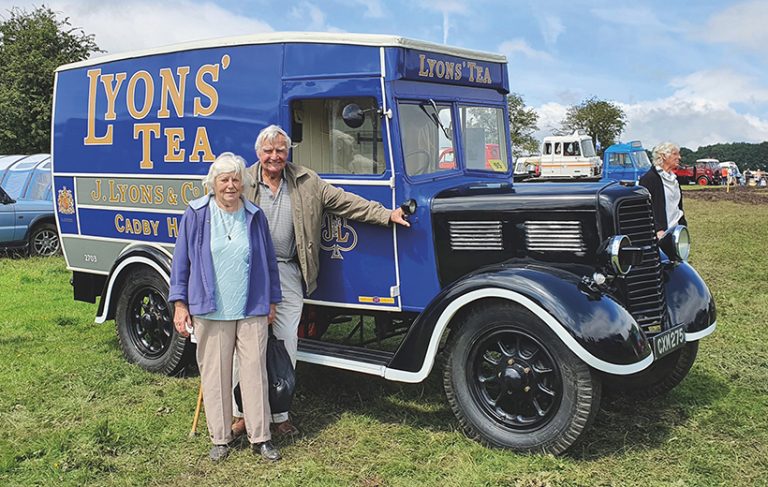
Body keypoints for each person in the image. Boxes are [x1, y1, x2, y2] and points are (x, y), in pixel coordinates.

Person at [231, 124, 410, 437]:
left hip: (287, 269)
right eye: (268, 151)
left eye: (280, 150)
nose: (274, 156)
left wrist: (386, 215)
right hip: (250, 271)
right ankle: (242, 413)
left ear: (288, 152)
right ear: (258, 153)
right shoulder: (243, 181)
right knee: (246, 343)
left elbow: (345, 202)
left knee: (286, 341)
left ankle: (280, 412)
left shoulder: (306, 180)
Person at [170, 152, 283, 463]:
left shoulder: (254, 215)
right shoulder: (195, 214)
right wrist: (180, 304)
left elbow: (268, 263)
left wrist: (272, 299)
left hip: (251, 308)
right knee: (215, 375)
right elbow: (181, 263)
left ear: (243, 183)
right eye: (224, 180)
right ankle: (221, 437)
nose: (231, 185)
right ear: (213, 184)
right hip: (210, 310)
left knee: (254, 374)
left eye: (236, 179)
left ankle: (260, 437)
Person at [639, 142, 687, 239]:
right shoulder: (649, 179)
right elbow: (644, 208)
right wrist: (657, 229)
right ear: (663, 156)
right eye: (675, 154)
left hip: (676, 232)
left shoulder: (674, 179)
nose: (679, 157)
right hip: (661, 235)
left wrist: (683, 225)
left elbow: (678, 206)